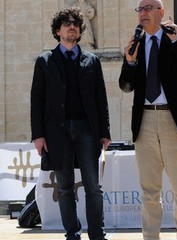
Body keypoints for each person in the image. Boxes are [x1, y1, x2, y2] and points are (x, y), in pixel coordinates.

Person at [119, 0, 177, 240]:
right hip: (144, 119)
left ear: (161, 12)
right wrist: (130, 61)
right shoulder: (136, 45)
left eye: (148, 8)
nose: (143, 13)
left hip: (174, 120)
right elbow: (126, 86)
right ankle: (150, 237)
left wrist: (176, 42)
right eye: (140, 10)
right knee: (149, 190)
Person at [30, 7, 111, 240]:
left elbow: (101, 99)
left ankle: (97, 234)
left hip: (87, 129)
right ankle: (72, 234)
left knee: (93, 187)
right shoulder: (44, 62)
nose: (72, 26)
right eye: (66, 23)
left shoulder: (92, 61)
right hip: (57, 132)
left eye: (75, 23)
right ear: (58, 30)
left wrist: (105, 132)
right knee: (65, 188)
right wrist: (38, 135)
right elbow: (37, 100)